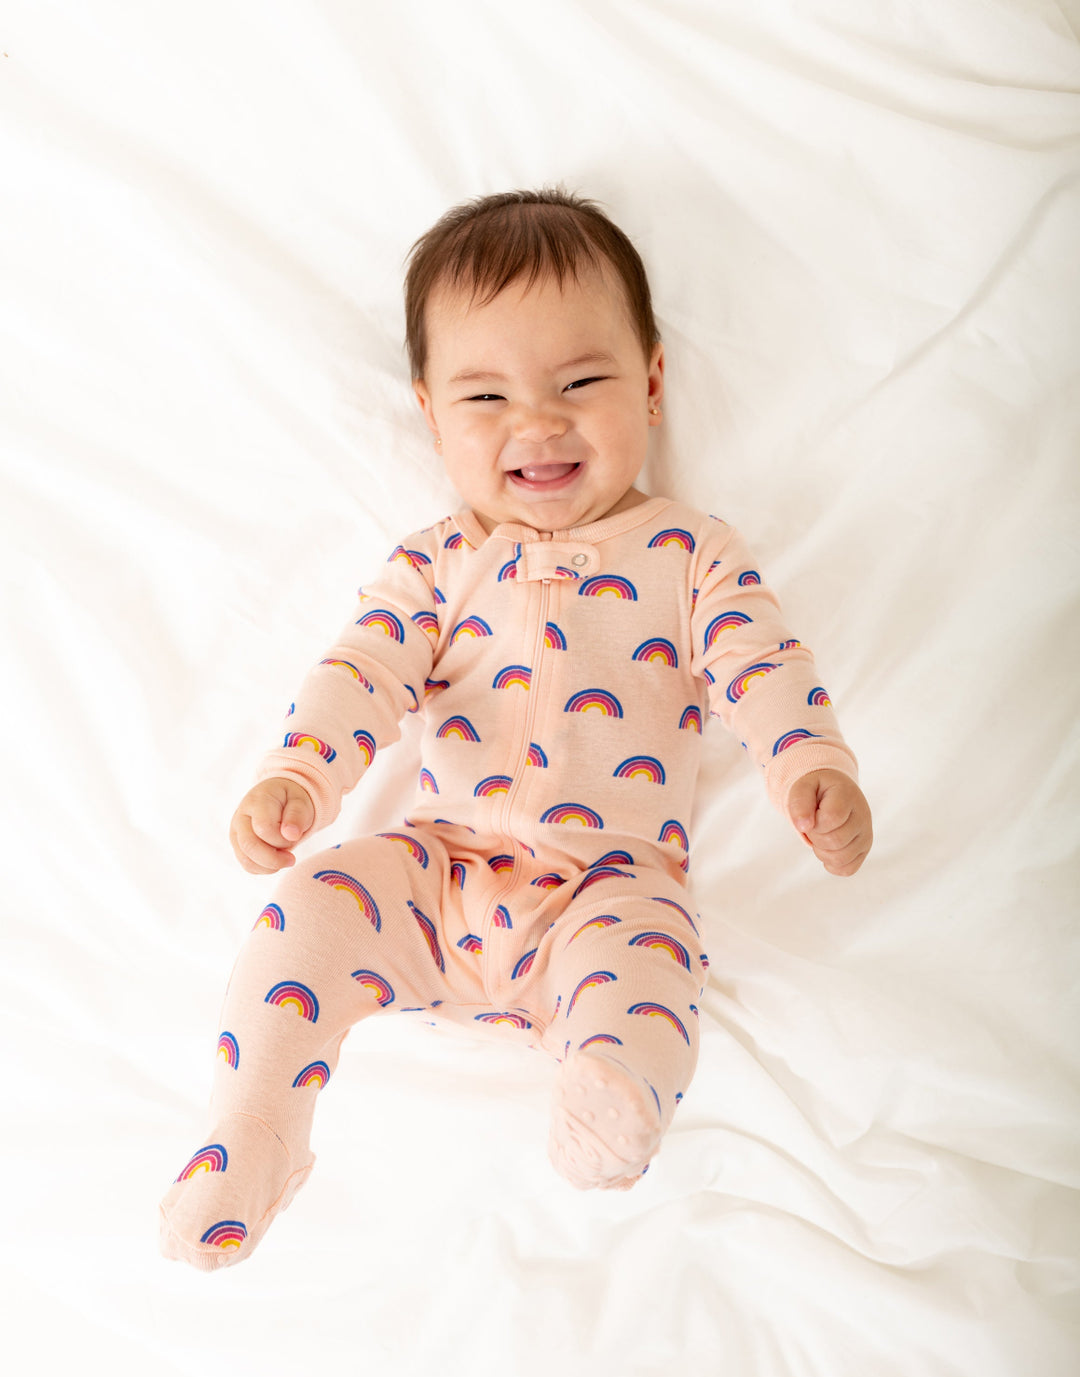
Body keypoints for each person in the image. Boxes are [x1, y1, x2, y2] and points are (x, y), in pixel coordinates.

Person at [159, 188, 873, 1271]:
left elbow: (761, 664)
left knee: (656, 965)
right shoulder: (440, 562)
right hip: (437, 874)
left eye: (580, 383)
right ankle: (254, 1129)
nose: (538, 424)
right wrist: (301, 777)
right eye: (486, 396)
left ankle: (610, 1093)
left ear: (654, 384)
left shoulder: (689, 555)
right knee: (304, 909)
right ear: (431, 416)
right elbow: (362, 672)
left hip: (608, 885)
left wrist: (811, 764)